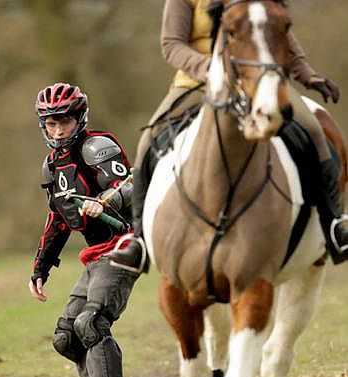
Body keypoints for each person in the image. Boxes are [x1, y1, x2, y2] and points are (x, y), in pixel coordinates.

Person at [109, 0, 348, 270]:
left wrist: (307, 74)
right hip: (198, 83)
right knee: (148, 141)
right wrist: (211, 69)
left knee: (315, 131)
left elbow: (277, 33)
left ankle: (333, 223)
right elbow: (172, 45)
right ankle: (138, 239)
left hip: (256, 81)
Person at [29, 82, 138, 377]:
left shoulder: (97, 148)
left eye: (64, 121)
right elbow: (58, 219)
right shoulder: (51, 168)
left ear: (79, 118)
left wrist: (106, 199)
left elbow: (134, 185)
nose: (58, 130)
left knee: (90, 322)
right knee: (67, 337)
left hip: (124, 246)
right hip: (94, 256)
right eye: (51, 124)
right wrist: (41, 268)